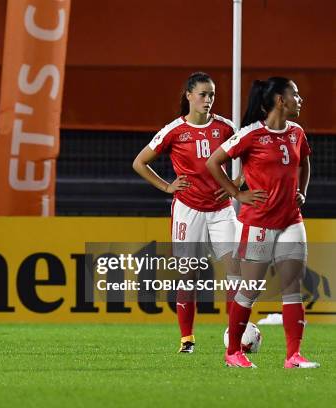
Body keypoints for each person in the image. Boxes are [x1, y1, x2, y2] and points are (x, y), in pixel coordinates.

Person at [206, 77, 318, 369]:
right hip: (259, 223)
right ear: (280, 100)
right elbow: (213, 162)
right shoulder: (251, 135)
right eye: (295, 94)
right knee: (250, 288)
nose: (299, 99)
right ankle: (233, 352)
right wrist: (237, 193)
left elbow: (305, 163)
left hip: (291, 219)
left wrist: (302, 191)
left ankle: (293, 357)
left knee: (292, 286)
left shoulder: (297, 133)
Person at [133, 72, 242, 353]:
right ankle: (187, 340)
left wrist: (235, 185)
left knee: (235, 272)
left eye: (213, 95)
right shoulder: (174, 130)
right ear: (189, 96)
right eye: (204, 94)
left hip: (221, 210)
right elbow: (140, 162)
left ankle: (235, 338)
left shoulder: (226, 128)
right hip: (188, 209)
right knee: (188, 275)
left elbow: (251, 156)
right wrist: (167, 187)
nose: (209, 100)